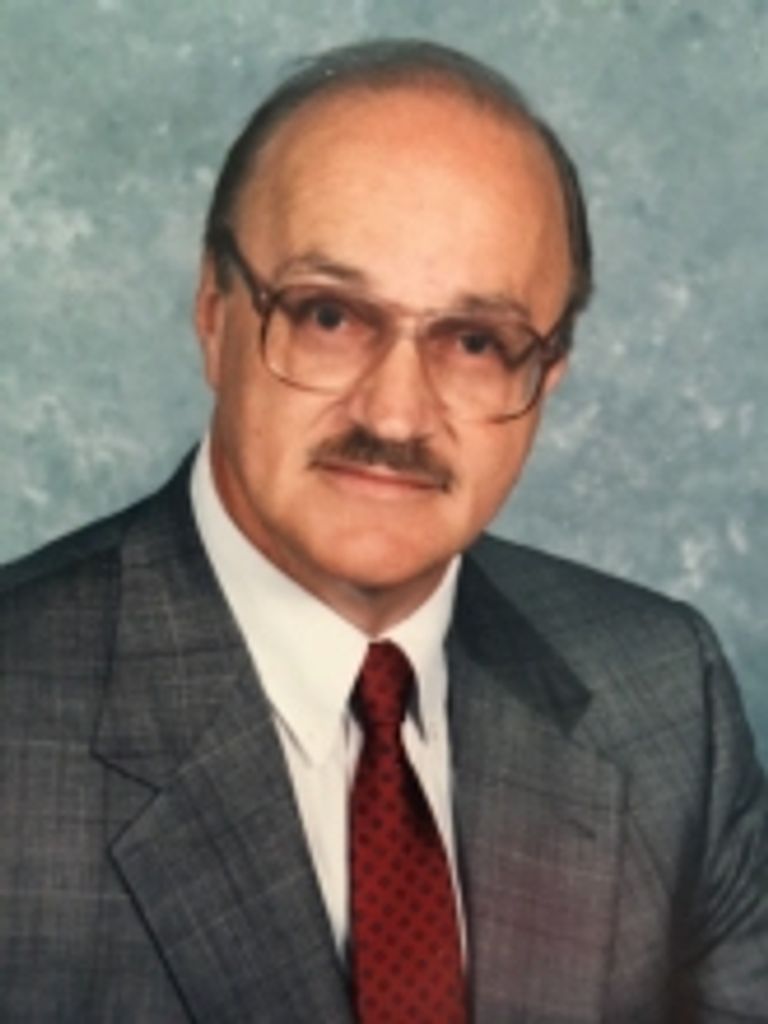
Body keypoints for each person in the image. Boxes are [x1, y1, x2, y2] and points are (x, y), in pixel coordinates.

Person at [1, 38, 766, 1024]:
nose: (396, 415)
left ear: (547, 376)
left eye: (477, 341)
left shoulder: (662, 697)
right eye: (329, 316)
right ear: (214, 314)